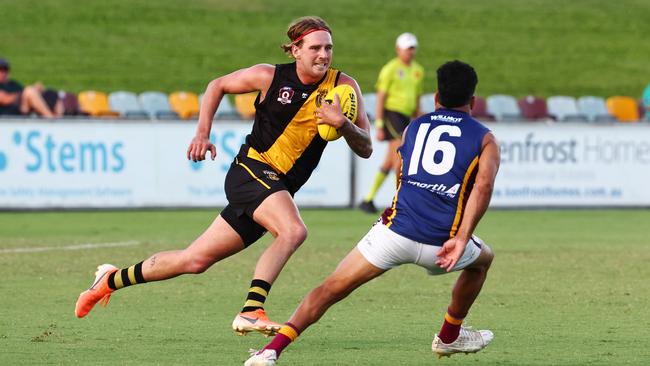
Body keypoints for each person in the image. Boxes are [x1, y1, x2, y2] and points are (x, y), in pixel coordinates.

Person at [74, 16, 372, 337]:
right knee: (293, 231)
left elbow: (366, 147)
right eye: (315, 47)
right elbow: (217, 85)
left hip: (277, 188)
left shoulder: (343, 88)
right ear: (295, 50)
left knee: (194, 260)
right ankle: (251, 310)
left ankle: (110, 280)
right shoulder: (269, 76)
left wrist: (343, 124)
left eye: (328, 47)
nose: (323, 55)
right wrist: (202, 133)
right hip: (251, 170)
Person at [245, 60, 499, 365]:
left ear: (435, 98)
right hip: (443, 246)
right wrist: (461, 238)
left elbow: (401, 174)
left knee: (329, 289)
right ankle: (449, 335)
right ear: (473, 100)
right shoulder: (485, 139)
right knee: (483, 261)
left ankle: (269, 351)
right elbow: (482, 188)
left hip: (393, 234)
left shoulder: (414, 127)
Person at [359, 33, 424, 214]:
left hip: (406, 116)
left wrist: (420, 116)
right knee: (400, 158)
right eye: (407, 48)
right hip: (392, 115)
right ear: (398, 50)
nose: (410, 52)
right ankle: (401, 202)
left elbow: (416, 99)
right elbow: (381, 97)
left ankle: (368, 199)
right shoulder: (390, 69)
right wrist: (379, 124)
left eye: (413, 48)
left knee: (389, 161)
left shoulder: (418, 70)